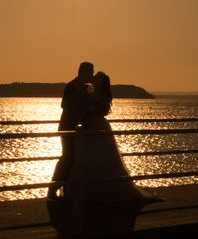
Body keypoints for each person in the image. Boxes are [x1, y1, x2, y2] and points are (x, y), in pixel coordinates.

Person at [71, 71, 159, 203]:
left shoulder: (102, 95)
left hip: (98, 125)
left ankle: (102, 188)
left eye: (97, 79)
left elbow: (101, 109)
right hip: (92, 126)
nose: (94, 80)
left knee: (101, 155)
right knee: (93, 156)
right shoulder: (93, 92)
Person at [47, 61, 94, 199]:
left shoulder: (83, 87)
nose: (91, 75)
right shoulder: (72, 86)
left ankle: (67, 188)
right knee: (67, 157)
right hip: (69, 127)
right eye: (90, 72)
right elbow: (64, 105)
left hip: (75, 128)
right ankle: (54, 187)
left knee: (73, 158)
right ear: (84, 72)